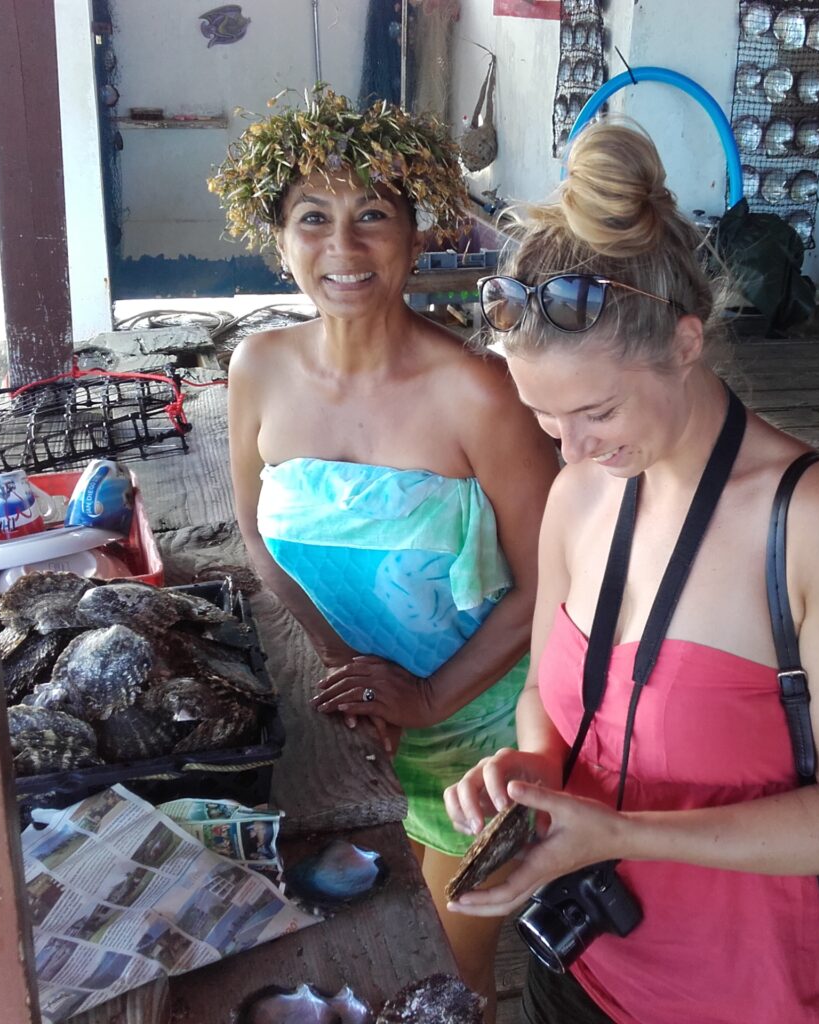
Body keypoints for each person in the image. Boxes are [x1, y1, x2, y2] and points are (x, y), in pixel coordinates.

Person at [443, 120, 819, 1024]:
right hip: (581, 966)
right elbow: (545, 695)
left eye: (598, 411)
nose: (574, 448)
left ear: (686, 343)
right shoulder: (580, 493)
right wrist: (528, 771)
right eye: (546, 421)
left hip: (758, 994)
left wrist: (619, 834)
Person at [211, 88, 559, 1017]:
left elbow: (555, 581)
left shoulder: (480, 393)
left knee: (446, 976)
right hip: (354, 720)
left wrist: (429, 698)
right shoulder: (258, 369)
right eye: (312, 218)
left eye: (373, 215)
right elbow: (256, 533)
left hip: (478, 735)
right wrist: (346, 671)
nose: (344, 247)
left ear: (415, 232)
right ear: (277, 236)